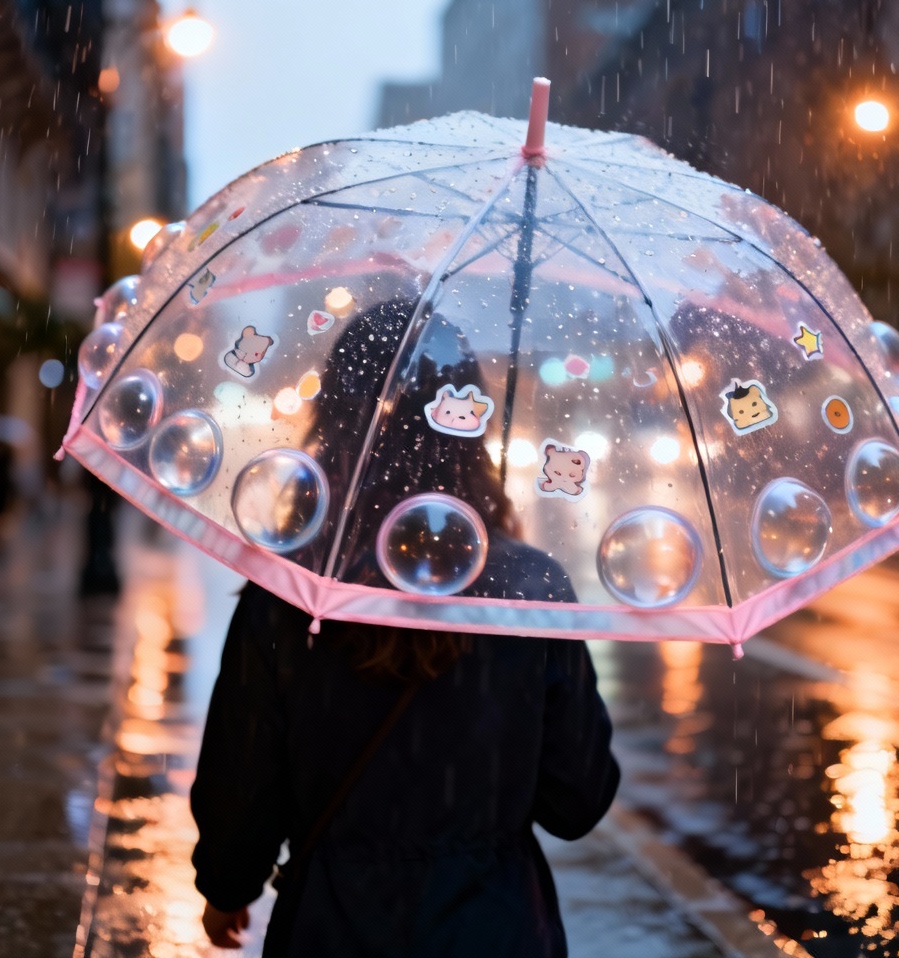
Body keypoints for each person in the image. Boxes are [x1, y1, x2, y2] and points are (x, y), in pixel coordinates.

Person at [190, 298, 620, 956]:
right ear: (469, 423)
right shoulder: (527, 590)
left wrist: (227, 887)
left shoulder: (294, 589)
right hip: (495, 929)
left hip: (333, 927)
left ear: (334, 418)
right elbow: (576, 800)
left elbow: (240, 782)